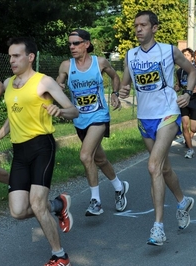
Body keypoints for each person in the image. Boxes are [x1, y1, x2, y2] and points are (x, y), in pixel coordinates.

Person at [0, 37, 78, 266]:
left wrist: (59, 111)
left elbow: (73, 111)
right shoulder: (7, 83)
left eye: (16, 56)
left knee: (36, 204)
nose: (12, 60)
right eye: (10, 56)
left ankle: (59, 256)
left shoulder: (43, 82)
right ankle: (58, 205)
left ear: (30, 57)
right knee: (17, 211)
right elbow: (12, 117)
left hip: (41, 147)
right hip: (19, 152)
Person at [119, 10, 195, 246]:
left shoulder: (168, 50)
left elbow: (192, 71)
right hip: (144, 118)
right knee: (163, 169)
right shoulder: (130, 56)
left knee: (153, 166)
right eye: (135, 26)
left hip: (167, 114)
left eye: (143, 25)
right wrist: (119, 93)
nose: (138, 29)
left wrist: (187, 93)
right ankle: (183, 202)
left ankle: (158, 227)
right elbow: (124, 85)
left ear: (154, 28)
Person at [57, 29, 129, 216]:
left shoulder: (100, 62)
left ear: (87, 44)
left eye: (76, 43)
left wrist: (114, 94)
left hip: (99, 116)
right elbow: (59, 82)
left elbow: (115, 77)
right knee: (100, 159)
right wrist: (58, 86)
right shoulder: (66, 65)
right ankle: (120, 187)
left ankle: (95, 201)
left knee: (85, 155)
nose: (72, 47)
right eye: (70, 44)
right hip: (79, 119)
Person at [175, 48, 196, 159]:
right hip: (184, 101)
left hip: (195, 100)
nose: (185, 57)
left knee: (193, 129)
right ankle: (190, 149)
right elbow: (179, 85)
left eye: (188, 55)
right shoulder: (179, 71)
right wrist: (175, 88)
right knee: (184, 125)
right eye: (183, 55)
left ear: (192, 57)